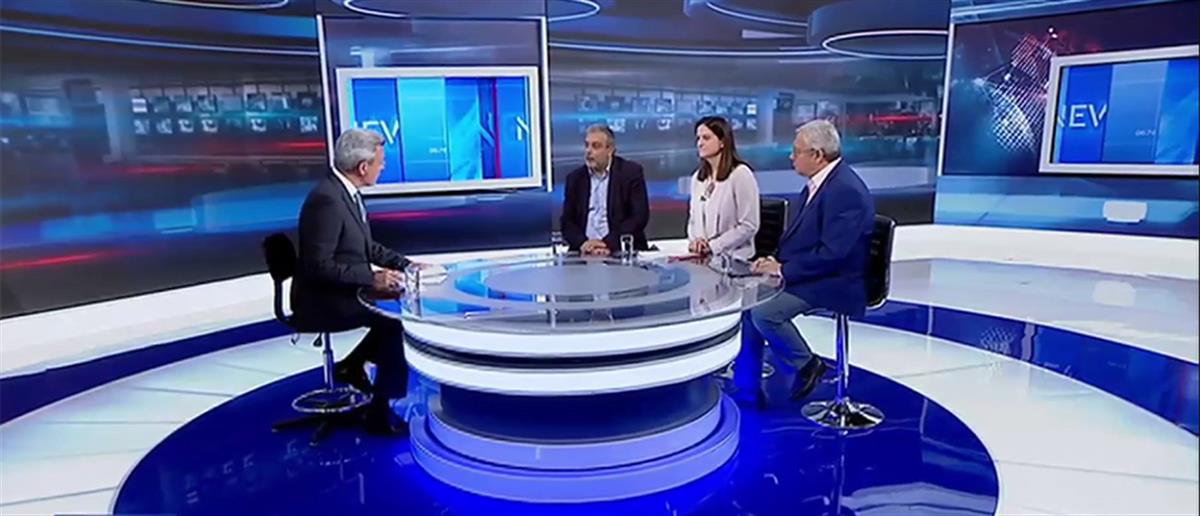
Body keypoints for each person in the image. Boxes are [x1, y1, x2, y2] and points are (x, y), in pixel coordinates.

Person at [290, 128, 418, 435]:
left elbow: (367, 248)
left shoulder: (345, 193)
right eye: (380, 162)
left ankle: (353, 364)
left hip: (343, 289)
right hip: (321, 299)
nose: (383, 167)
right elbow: (318, 266)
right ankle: (380, 413)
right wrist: (372, 277)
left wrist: (407, 265)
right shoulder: (327, 200)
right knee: (395, 322)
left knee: (397, 307)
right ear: (363, 167)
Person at [744, 119, 875, 403]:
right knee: (749, 303)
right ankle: (747, 387)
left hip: (836, 281)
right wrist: (773, 261)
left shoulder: (845, 190)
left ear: (817, 155)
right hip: (816, 272)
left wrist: (784, 269)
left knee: (764, 313)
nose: (791, 157)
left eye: (796, 151)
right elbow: (802, 240)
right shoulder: (818, 184)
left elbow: (833, 255)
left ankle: (807, 364)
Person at [560, 124, 650, 255]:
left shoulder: (630, 173)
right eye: (587, 145)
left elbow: (639, 217)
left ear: (610, 149)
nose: (588, 151)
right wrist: (583, 243)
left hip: (619, 250)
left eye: (595, 146)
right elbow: (567, 222)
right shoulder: (575, 179)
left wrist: (607, 244)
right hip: (584, 252)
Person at [686, 116, 760, 261]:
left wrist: (713, 246)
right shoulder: (698, 178)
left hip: (734, 259)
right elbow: (693, 220)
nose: (700, 143)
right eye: (698, 138)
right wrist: (696, 241)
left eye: (706, 138)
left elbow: (749, 225)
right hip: (704, 259)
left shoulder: (740, 174)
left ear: (722, 142)